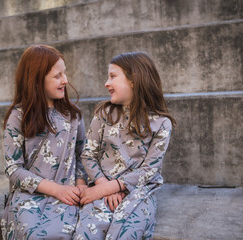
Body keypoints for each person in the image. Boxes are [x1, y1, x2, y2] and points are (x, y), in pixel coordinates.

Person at [73, 52, 176, 239]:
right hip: (100, 186)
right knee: (87, 231)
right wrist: (103, 186)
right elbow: (88, 155)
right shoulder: (104, 113)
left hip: (138, 193)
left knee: (127, 232)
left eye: (113, 76)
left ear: (134, 80)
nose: (106, 83)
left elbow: (149, 170)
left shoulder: (161, 123)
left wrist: (115, 186)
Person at [1, 45, 87, 239]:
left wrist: (81, 183)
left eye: (65, 73)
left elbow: (83, 154)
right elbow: (13, 169)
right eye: (57, 76)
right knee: (34, 234)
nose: (65, 80)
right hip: (30, 194)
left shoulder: (73, 116)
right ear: (37, 79)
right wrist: (55, 189)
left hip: (68, 193)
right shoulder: (18, 116)